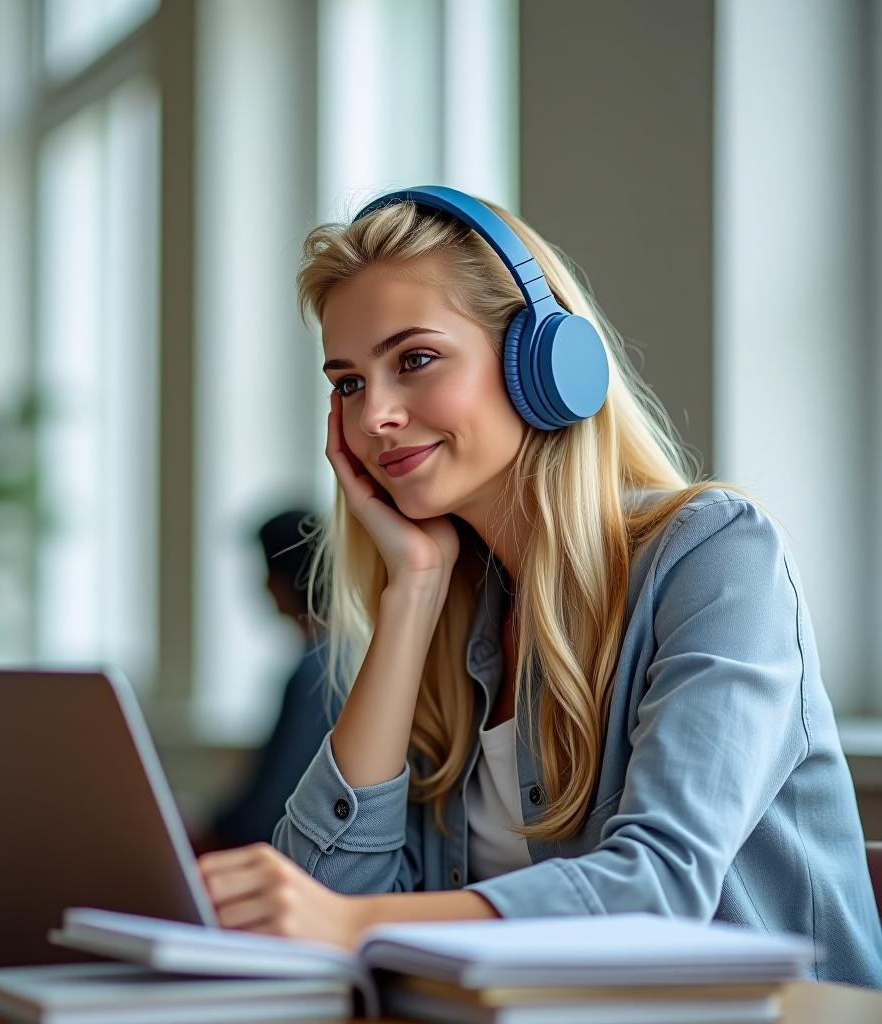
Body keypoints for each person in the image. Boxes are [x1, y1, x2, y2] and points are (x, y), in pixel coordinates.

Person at [197, 187, 882, 987]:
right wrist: (412, 591)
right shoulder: (452, 614)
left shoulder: (717, 555)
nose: (374, 414)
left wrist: (354, 924)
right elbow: (313, 907)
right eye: (348, 382)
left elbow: (659, 889)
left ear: (544, 363)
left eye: (414, 360)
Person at [192, 508, 333, 854]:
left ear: (285, 578)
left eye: (266, 571)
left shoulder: (314, 674)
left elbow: (266, 809)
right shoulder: (339, 660)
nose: (262, 586)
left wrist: (203, 827)